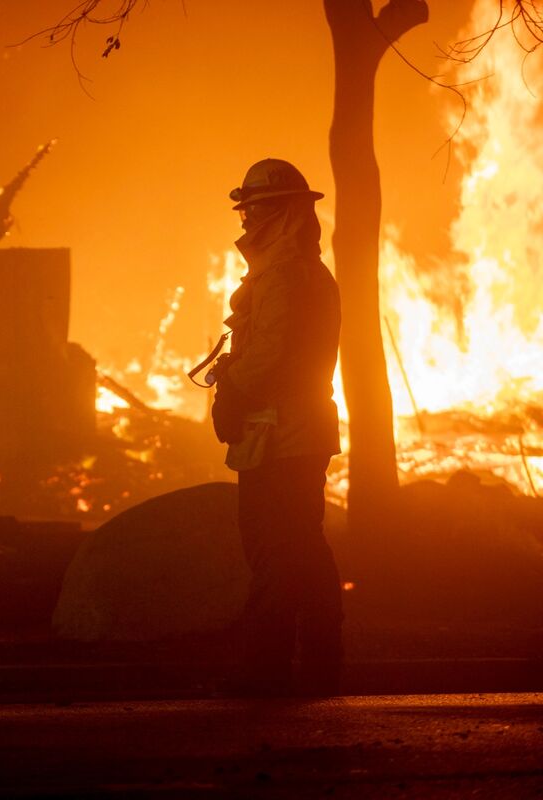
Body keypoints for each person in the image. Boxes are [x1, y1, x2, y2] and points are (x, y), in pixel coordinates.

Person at [211, 158, 343, 697]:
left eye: (257, 209)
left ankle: (265, 669)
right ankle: (320, 663)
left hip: (284, 435)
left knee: (275, 551)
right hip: (292, 433)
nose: (247, 220)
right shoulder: (295, 271)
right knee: (303, 549)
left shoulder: (286, 275)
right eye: (245, 210)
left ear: (286, 212)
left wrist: (233, 391)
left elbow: (271, 352)